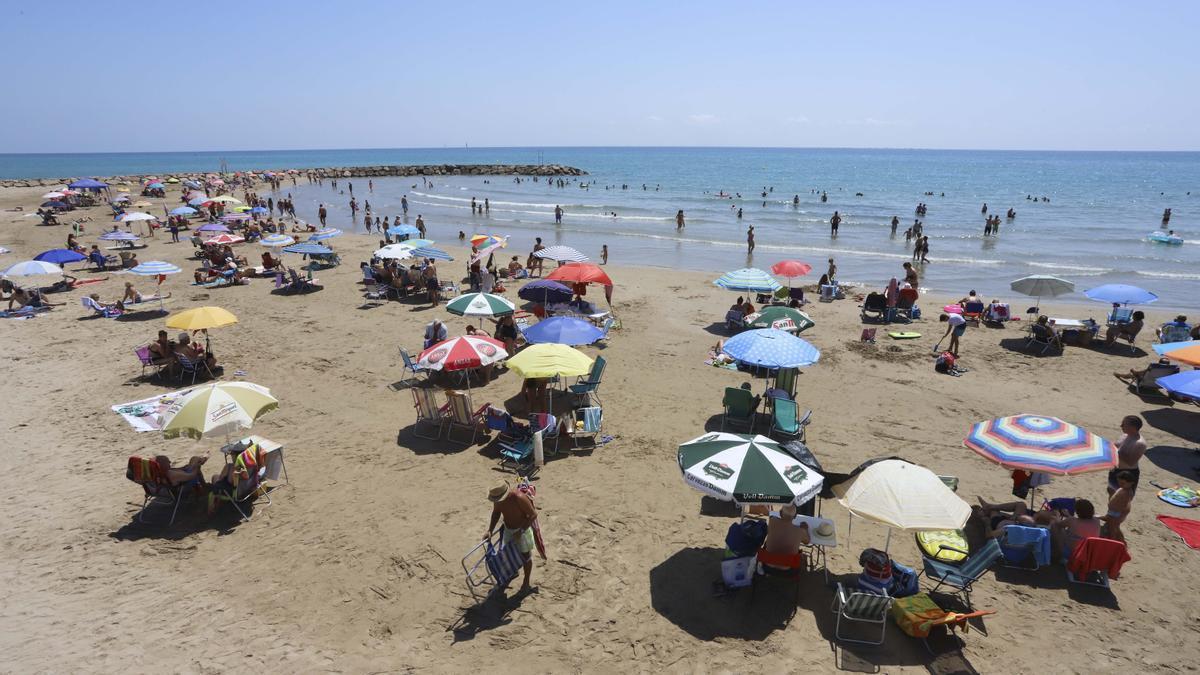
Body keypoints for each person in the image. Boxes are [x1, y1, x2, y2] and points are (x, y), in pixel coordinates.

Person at [484, 480, 538, 592]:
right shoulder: (497, 499)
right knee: (509, 552)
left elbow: (533, 515)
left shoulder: (519, 497)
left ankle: (526, 582)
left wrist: (521, 531)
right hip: (508, 530)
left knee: (526, 556)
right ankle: (513, 572)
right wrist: (490, 530)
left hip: (522, 530)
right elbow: (496, 513)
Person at [761, 503, 810, 569]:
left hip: (768, 564)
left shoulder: (772, 521)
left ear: (780, 513)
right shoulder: (799, 530)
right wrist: (805, 529)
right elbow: (807, 542)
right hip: (788, 569)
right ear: (795, 516)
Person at [1108, 415, 1146, 496]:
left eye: (1124, 424)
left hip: (1127, 475)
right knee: (1111, 493)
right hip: (1115, 470)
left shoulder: (1140, 443)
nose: (1121, 426)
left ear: (1132, 427)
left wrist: (1116, 451)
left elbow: (1131, 462)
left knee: (1123, 499)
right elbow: (1114, 447)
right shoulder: (1124, 436)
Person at [1103, 471, 1136, 544]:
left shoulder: (1127, 493)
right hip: (1113, 512)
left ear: (1131, 483)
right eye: (1119, 482)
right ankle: (1120, 541)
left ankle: (1113, 542)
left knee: (1113, 529)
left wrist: (1118, 516)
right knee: (1113, 527)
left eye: (1123, 483)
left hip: (1116, 514)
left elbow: (1125, 506)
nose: (1120, 484)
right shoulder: (1123, 488)